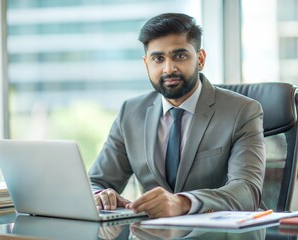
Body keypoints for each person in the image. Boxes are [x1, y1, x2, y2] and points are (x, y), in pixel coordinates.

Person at [88, 13, 266, 218]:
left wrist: (183, 202)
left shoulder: (242, 111)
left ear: (200, 59)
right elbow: (95, 182)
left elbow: (247, 191)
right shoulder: (131, 112)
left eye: (179, 56)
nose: (169, 68)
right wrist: (101, 195)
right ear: (146, 64)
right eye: (158, 59)